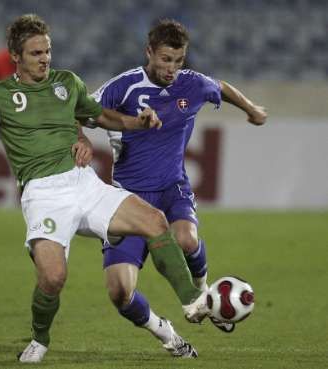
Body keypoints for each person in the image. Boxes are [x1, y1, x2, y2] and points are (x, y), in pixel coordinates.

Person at [0, 14, 208, 363]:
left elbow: (100, 117)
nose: (45, 59)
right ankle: (40, 338)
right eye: (36, 53)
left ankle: (195, 300)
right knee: (53, 278)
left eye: (48, 51)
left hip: (84, 182)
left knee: (155, 221)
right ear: (16, 57)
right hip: (43, 194)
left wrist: (136, 121)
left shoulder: (67, 83)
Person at [89, 18, 267, 349]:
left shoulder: (193, 84)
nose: (171, 68)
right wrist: (78, 139)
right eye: (165, 59)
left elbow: (221, 87)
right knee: (119, 292)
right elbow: (80, 108)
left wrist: (251, 108)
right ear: (149, 53)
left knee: (186, 239)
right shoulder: (124, 86)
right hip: (127, 199)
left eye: (178, 60)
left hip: (173, 187)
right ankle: (168, 335)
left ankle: (203, 293)